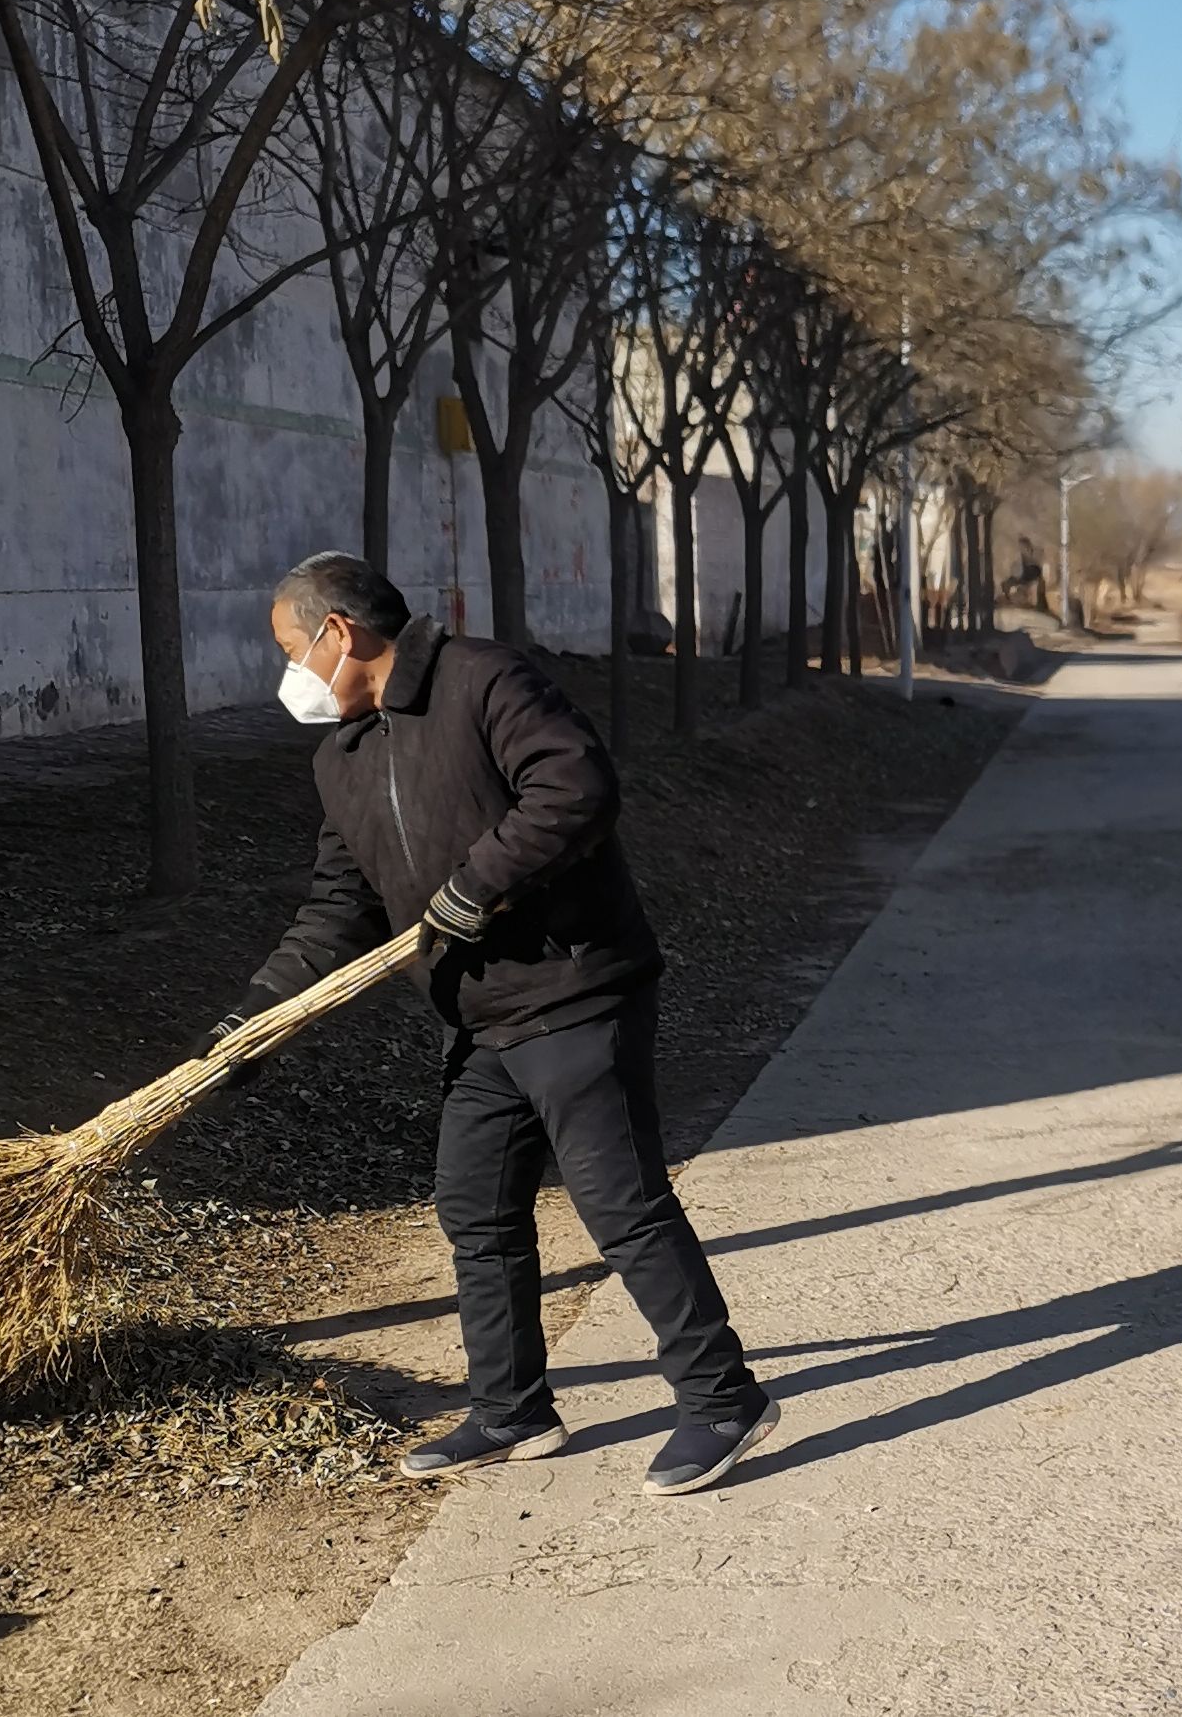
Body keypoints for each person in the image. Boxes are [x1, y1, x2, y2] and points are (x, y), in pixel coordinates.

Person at [219, 553, 776, 1495]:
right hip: (477, 1021)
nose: (290, 672)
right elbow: (338, 906)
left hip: (573, 991)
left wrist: (477, 885)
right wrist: (253, 1016)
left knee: (623, 1207)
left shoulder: (483, 679)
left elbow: (575, 787)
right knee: (475, 1210)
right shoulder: (342, 758)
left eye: (290, 648)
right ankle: (511, 1408)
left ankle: (723, 1398)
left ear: (339, 632)